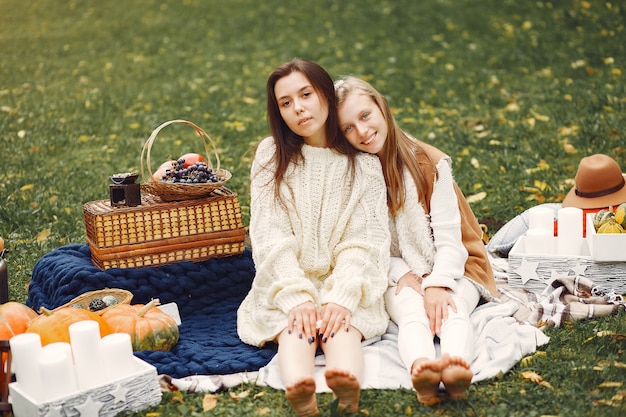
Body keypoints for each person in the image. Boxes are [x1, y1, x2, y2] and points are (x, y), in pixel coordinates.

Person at [237, 60, 391, 416]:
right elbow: (269, 234)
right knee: (295, 328)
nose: (298, 108)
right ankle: (300, 391)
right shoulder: (271, 156)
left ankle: (346, 387)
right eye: (286, 103)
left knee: (343, 327)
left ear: (325, 93)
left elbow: (366, 241)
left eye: (306, 94)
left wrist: (343, 295)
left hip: (343, 278)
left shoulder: (364, 166)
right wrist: (295, 295)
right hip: (285, 278)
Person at [335, 76, 499, 405]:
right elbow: (369, 243)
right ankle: (421, 368)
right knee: (411, 311)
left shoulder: (430, 164)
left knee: (452, 311)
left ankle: (456, 367)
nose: (362, 132)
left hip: (457, 265)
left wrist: (437, 283)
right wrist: (401, 274)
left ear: (382, 108)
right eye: (349, 128)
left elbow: (452, 242)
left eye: (365, 116)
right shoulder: (354, 175)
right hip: (394, 268)